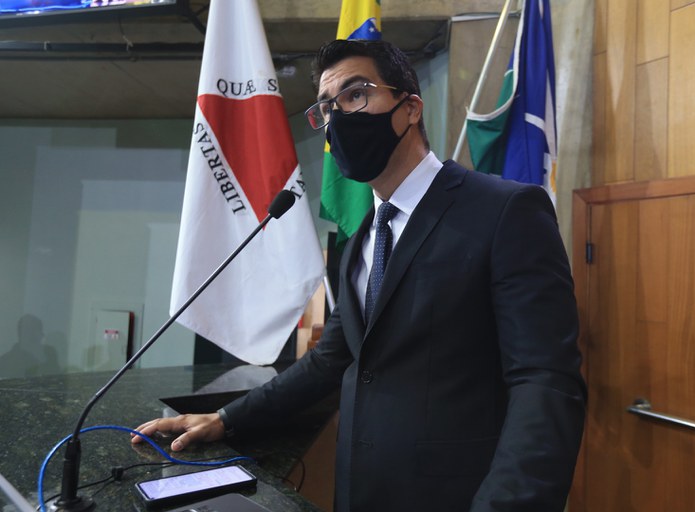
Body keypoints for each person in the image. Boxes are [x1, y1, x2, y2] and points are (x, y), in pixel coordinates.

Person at [133, 39, 586, 512]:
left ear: (410, 108)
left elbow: (544, 382)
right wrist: (226, 419)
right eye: (327, 107)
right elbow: (329, 361)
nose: (338, 117)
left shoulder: (504, 210)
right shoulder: (360, 240)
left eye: (355, 94)